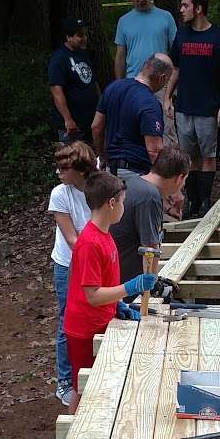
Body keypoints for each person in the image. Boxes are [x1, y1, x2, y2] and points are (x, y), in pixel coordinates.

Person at [62, 170, 157, 414]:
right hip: (84, 330)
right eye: (123, 202)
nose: (124, 207)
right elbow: (92, 295)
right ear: (111, 203)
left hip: (101, 321)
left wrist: (117, 306)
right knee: (82, 388)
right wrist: (131, 287)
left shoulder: (105, 235)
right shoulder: (90, 243)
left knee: (97, 386)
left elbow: (104, 283)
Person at [164, 0, 220, 218]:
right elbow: (175, 68)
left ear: (199, 8)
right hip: (184, 106)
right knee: (188, 156)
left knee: (208, 156)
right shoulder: (182, 35)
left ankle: (205, 201)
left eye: (185, 5)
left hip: (208, 108)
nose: (181, 9)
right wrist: (167, 97)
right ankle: (192, 200)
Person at [47, 139, 96, 406]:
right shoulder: (60, 194)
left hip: (95, 261)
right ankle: (65, 381)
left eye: (63, 168)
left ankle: (92, 370)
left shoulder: (99, 186)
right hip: (69, 265)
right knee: (69, 321)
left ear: (80, 169)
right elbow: (72, 239)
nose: (58, 173)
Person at [111, 143, 190, 282]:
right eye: (185, 180)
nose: (183, 185)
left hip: (118, 275)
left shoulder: (136, 182)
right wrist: (152, 283)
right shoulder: (149, 196)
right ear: (179, 178)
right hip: (124, 283)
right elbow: (150, 249)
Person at [92, 52, 172, 173]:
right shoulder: (150, 103)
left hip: (110, 171)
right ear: (162, 78)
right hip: (136, 172)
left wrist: (102, 156)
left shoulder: (113, 87)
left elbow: (96, 126)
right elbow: (154, 150)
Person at [47, 17, 100, 144]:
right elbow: (56, 90)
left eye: (85, 35)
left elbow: (92, 81)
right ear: (68, 37)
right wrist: (68, 119)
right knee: (73, 159)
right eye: (80, 36)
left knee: (90, 157)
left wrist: (101, 105)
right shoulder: (59, 58)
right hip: (72, 123)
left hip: (90, 119)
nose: (84, 39)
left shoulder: (84, 54)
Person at [114, 0, 177, 80]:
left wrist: (174, 80)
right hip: (133, 79)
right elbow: (120, 56)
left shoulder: (166, 17)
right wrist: (119, 84)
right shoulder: (123, 21)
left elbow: (175, 50)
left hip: (161, 79)